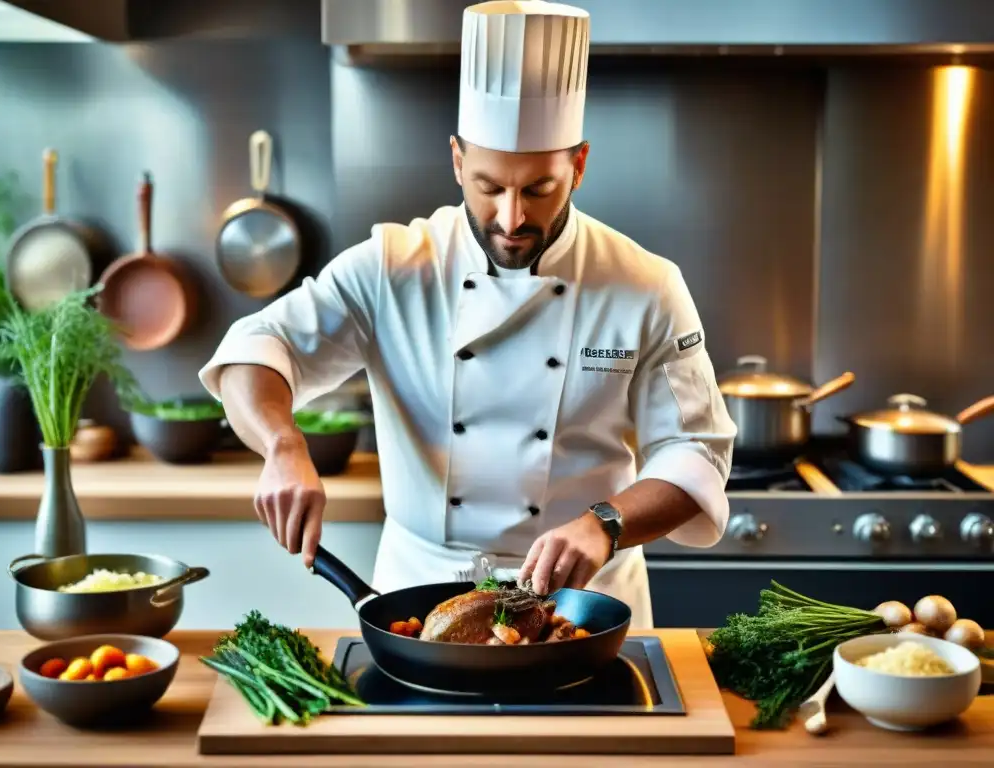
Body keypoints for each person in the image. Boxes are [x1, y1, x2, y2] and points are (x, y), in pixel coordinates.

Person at [198, 0, 736, 629]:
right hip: (416, 604)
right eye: (488, 186)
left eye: (538, 189)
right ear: (457, 161)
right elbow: (257, 350)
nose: (511, 218)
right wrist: (283, 445)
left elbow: (695, 452)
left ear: (578, 166)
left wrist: (605, 524)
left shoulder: (645, 284)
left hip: (582, 609)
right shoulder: (391, 267)